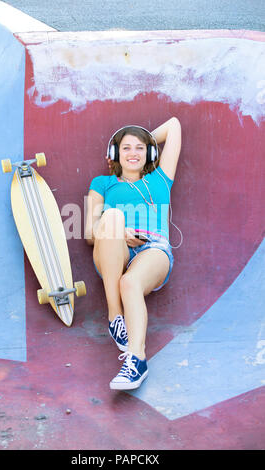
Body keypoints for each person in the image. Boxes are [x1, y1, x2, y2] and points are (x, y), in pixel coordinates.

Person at [85, 117, 182, 390]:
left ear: (150, 153)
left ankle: (136, 360)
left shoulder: (160, 178)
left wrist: (144, 139)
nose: (133, 153)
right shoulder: (102, 183)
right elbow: (90, 233)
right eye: (125, 148)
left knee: (130, 283)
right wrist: (116, 229)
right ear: (115, 154)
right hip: (112, 247)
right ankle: (116, 317)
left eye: (140, 148)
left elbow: (173, 125)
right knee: (112, 216)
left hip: (153, 248)